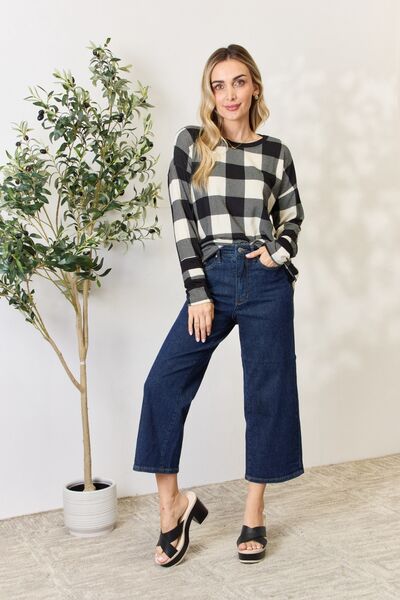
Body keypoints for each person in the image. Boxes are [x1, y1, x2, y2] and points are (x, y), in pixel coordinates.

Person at [132, 43, 305, 568]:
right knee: (163, 384)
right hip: (212, 278)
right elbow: (182, 219)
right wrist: (196, 291)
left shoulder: (276, 153)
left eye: (238, 82)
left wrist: (276, 252)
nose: (229, 94)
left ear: (254, 87)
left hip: (266, 280)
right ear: (210, 93)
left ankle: (254, 512)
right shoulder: (192, 143)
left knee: (267, 394)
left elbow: (292, 217)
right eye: (218, 85)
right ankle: (172, 506)